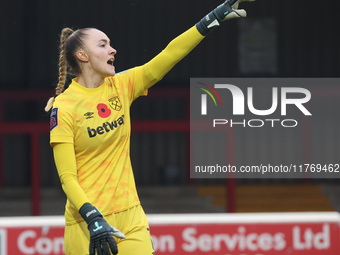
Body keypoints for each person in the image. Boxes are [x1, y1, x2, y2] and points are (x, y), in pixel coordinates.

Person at [46, 0, 253, 254]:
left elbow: (169, 54)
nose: (113, 50)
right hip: (86, 223)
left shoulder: (122, 86)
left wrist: (212, 18)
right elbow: (67, 177)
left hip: (131, 216)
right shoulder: (64, 107)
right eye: (103, 45)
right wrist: (92, 217)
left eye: (110, 44)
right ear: (82, 56)